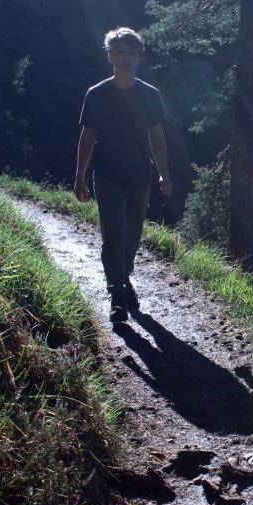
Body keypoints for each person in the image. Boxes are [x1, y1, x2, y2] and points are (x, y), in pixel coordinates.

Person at [74, 27, 173, 324]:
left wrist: (164, 176)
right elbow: (87, 136)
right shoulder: (97, 94)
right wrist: (79, 176)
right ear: (110, 56)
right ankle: (117, 294)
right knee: (114, 237)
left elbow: (158, 138)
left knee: (132, 238)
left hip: (141, 176)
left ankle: (123, 279)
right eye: (119, 52)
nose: (125, 57)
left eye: (131, 52)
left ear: (140, 57)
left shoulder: (150, 95)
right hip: (107, 176)